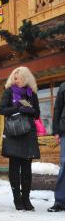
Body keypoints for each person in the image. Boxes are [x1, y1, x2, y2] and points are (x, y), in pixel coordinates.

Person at [0, 66, 40, 211]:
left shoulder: (31, 93)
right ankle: (17, 199)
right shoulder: (9, 91)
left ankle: (26, 199)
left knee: (27, 168)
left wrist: (30, 110)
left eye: (20, 78)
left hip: (28, 133)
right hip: (13, 133)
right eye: (15, 78)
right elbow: (2, 109)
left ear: (26, 78)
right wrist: (17, 108)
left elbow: (37, 114)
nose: (17, 80)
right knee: (15, 168)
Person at [49, 81, 65, 212]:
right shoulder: (64, 86)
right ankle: (60, 201)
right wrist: (55, 130)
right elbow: (58, 108)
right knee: (64, 165)